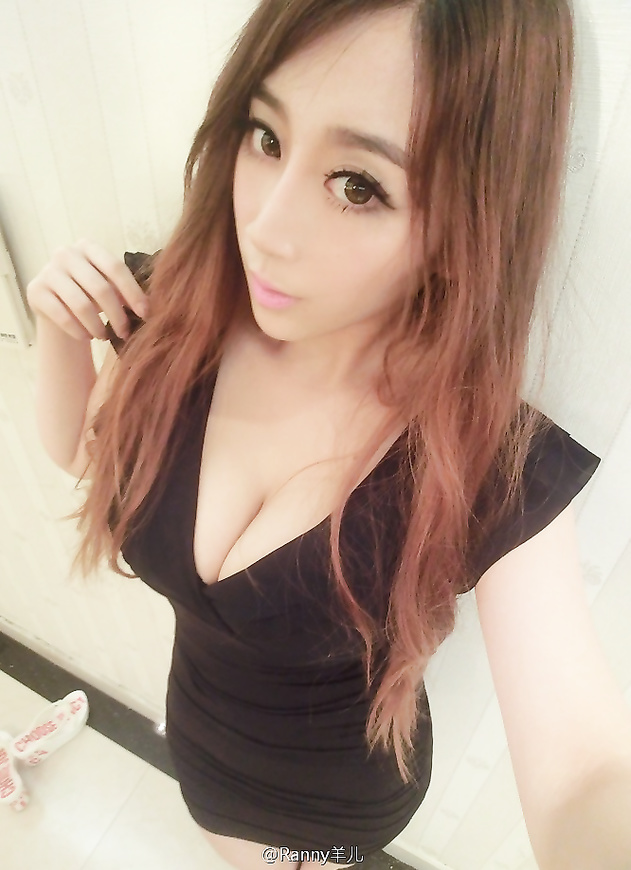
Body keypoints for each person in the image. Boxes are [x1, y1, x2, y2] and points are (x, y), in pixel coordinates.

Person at [25, 1, 631, 868]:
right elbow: (84, 457)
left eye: (358, 186)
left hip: (338, 807)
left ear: (468, 222)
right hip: (199, 745)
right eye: (266, 137)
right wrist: (59, 331)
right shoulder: (172, 314)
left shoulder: (488, 465)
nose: (264, 230)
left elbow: (580, 770)